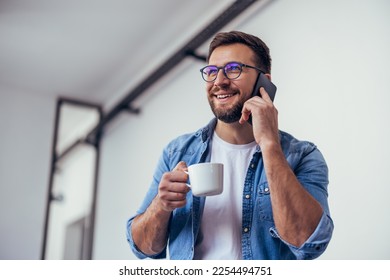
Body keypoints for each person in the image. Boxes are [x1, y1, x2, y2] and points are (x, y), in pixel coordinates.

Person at [126, 30, 333, 260]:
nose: (220, 81)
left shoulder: (302, 155)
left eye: (234, 69)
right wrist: (160, 206)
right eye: (212, 72)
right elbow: (142, 247)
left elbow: (308, 241)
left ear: (264, 81)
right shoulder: (177, 152)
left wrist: (269, 143)